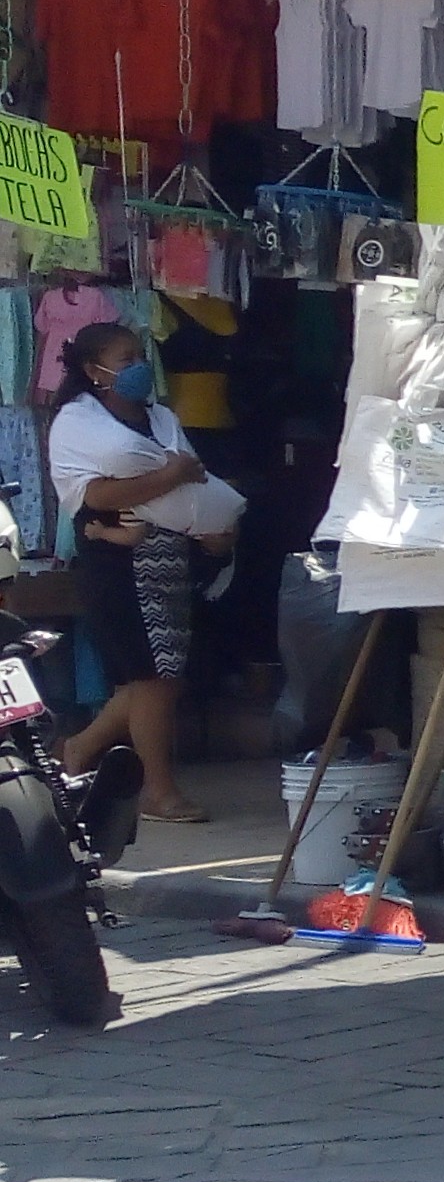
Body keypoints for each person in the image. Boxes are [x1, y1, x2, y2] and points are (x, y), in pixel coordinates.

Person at [50, 323, 216, 822]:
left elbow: (195, 476)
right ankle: (158, 791)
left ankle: (78, 750)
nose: (138, 368)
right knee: (151, 679)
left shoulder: (160, 417)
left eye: (140, 356)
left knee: (162, 679)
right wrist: (169, 476)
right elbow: (94, 496)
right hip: (118, 562)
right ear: (93, 370)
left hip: (168, 560)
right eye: (126, 360)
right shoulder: (76, 424)